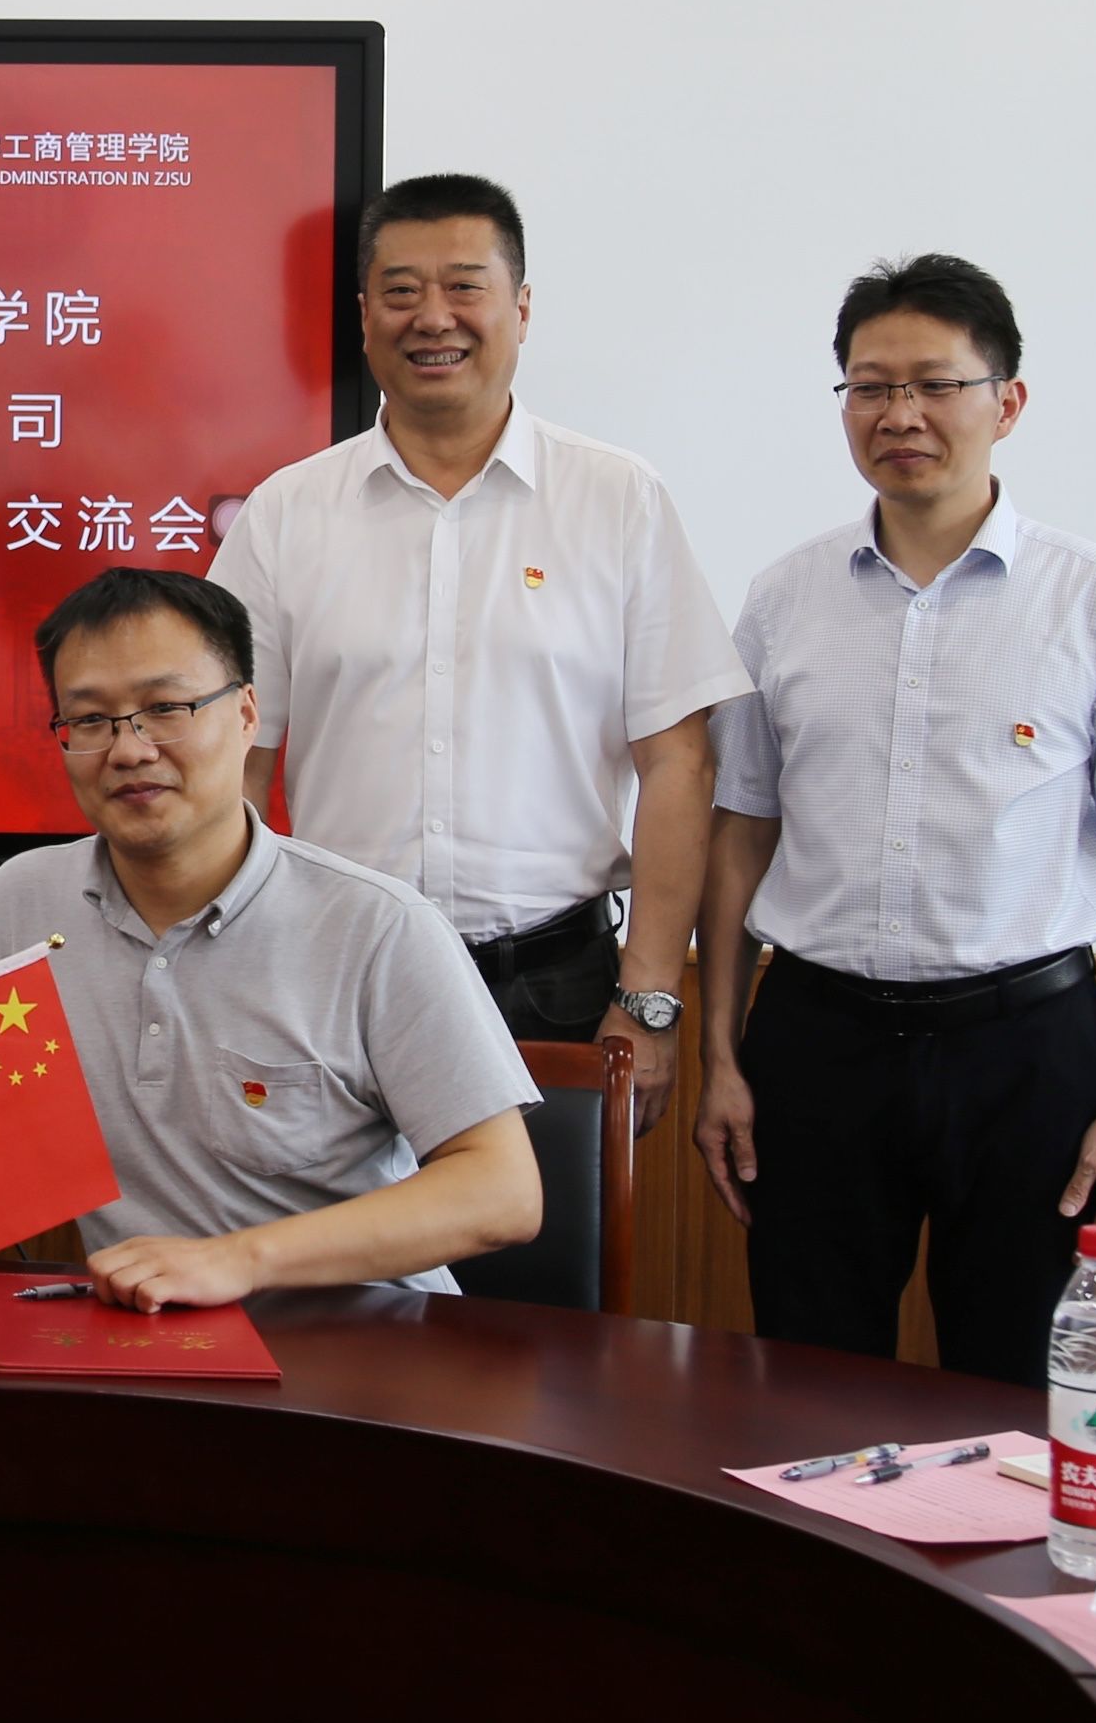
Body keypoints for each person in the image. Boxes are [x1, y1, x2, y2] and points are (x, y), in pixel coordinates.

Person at [690, 255, 1096, 1384]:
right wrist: (720, 1057)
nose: (900, 415)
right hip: (817, 1045)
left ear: (1006, 403)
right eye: (870, 388)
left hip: (1029, 1055)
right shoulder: (784, 599)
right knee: (808, 1388)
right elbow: (741, 835)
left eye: (934, 384)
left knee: (1017, 1392)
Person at [0, 568, 541, 1307]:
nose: (128, 750)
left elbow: (503, 1190)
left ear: (247, 714)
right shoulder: (25, 898)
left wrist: (242, 1260)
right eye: (90, 720)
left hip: (365, 1342)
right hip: (153, 1339)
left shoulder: (377, 926)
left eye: (165, 708)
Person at [209, 171, 746, 1103]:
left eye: (465, 287)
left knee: (548, 1205)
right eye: (401, 291)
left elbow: (679, 764)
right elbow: (234, 761)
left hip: (556, 983)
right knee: (342, 1211)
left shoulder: (617, 499)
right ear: (364, 314)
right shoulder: (287, 512)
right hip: (335, 974)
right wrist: (232, 958)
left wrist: (651, 996)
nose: (433, 318)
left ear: (521, 308)